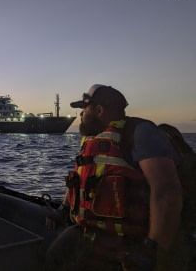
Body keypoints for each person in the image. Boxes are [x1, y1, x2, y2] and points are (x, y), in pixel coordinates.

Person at [45, 84, 189, 271]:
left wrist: (151, 248)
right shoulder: (92, 140)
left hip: (130, 242)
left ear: (99, 109)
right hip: (92, 233)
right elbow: (79, 179)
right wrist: (63, 209)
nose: (80, 114)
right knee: (53, 257)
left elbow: (167, 191)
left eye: (84, 107)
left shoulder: (141, 133)